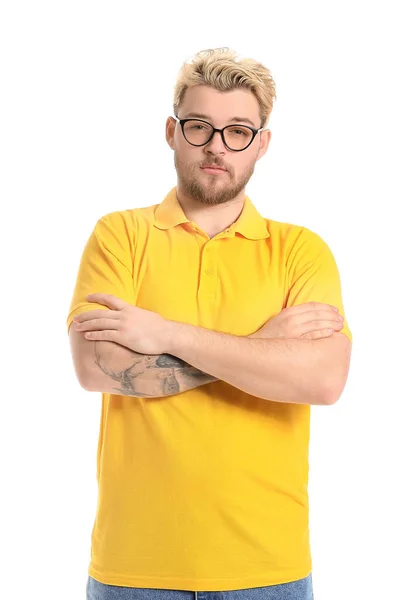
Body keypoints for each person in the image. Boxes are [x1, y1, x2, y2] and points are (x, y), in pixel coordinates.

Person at [67, 47, 352, 600]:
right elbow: (96, 368)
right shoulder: (119, 236)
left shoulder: (299, 251)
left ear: (261, 143)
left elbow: (322, 380)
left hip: (268, 570)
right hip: (134, 569)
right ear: (172, 133)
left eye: (238, 130)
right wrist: (263, 352)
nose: (217, 145)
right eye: (199, 127)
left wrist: (167, 335)